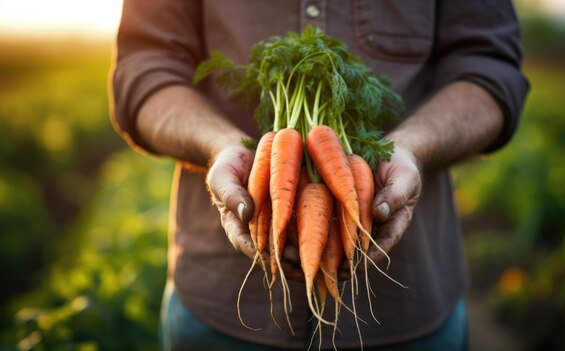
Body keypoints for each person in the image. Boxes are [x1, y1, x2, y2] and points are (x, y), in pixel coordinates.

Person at [110, 0, 528, 349]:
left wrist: (412, 151)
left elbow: (489, 68)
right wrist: (222, 146)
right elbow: (145, 67)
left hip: (409, 310)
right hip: (215, 315)